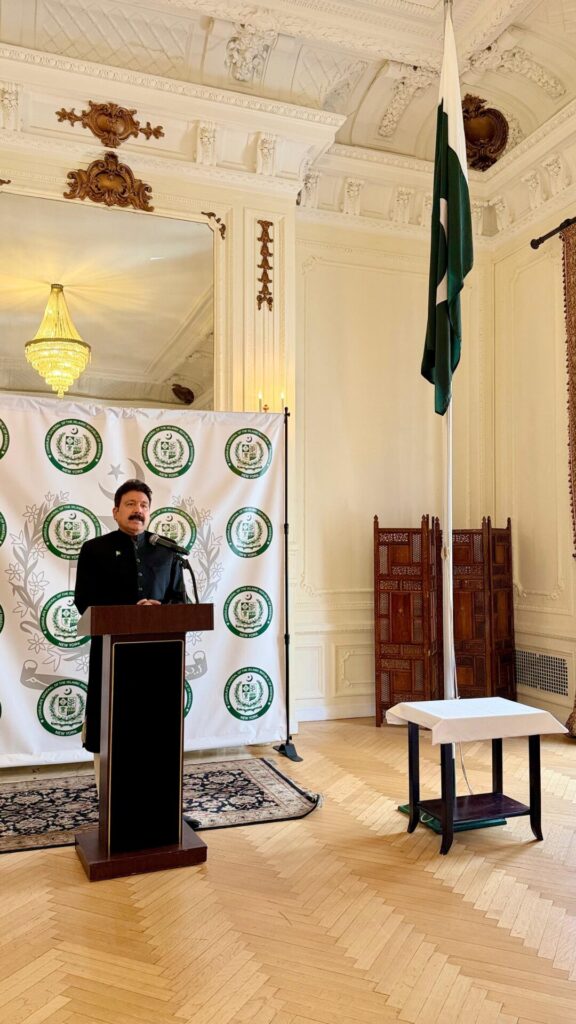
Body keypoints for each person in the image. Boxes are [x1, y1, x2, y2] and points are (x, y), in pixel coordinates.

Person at [74, 479, 187, 757]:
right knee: (111, 726)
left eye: (144, 505)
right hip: (111, 652)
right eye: (131, 504)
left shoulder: (168, 550)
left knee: (155, 727)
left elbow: (180, 601)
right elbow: (84, 601)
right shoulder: (94, 549)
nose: (138, 510)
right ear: (116, 512)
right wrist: (128, 613)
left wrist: (159, 608)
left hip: (160, 653)